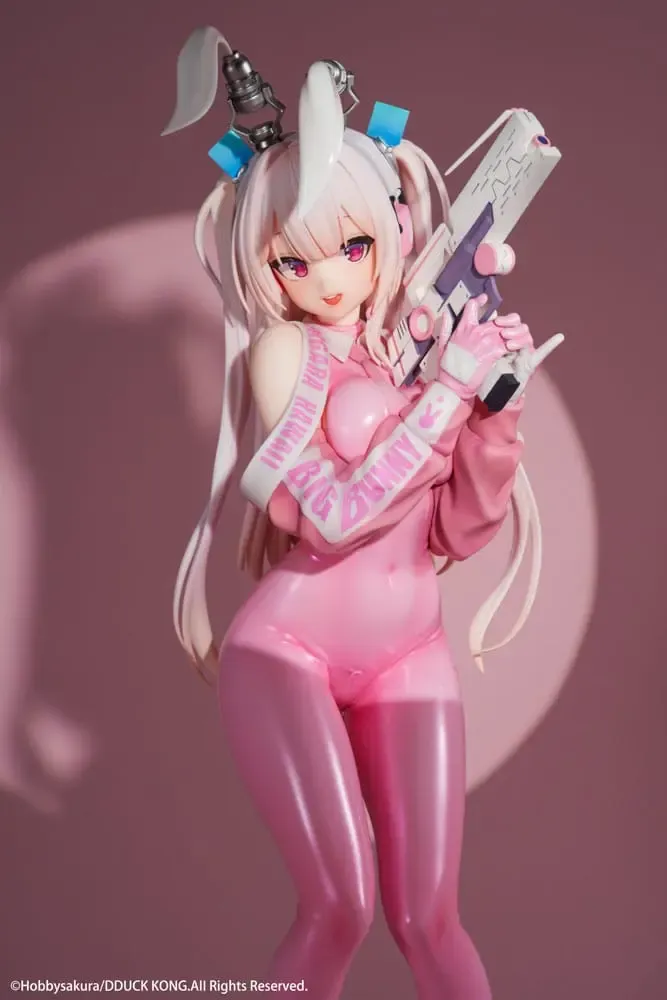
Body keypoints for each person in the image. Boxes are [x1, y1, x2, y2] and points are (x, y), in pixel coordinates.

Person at [165, 27, 561, 1000]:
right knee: (337, 907)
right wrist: (445, 394)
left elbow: (456, 531)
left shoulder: (414, 346)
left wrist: (492, 410)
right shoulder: (284, 358)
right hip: (287, 653)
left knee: (429, 918)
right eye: (293, 261)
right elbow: (333, 516)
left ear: (392, 227)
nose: (329, 277)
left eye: (350, 246)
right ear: (264, 267)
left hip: (410, 647)